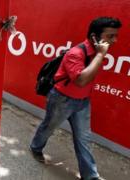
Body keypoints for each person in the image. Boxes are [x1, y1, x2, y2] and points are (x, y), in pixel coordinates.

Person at [29, 17, 122, 180]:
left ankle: (90, 176)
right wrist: (101, 55)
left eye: (115, 36)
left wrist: (99, 54)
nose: (114, 40)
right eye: (110, 36)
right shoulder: (76, 53)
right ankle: (36, 147)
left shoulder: (96, 53)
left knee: (84, 138)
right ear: (94, 36)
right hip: (62, 100)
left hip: (83, 102)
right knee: (49, 127)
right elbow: (81, 80)